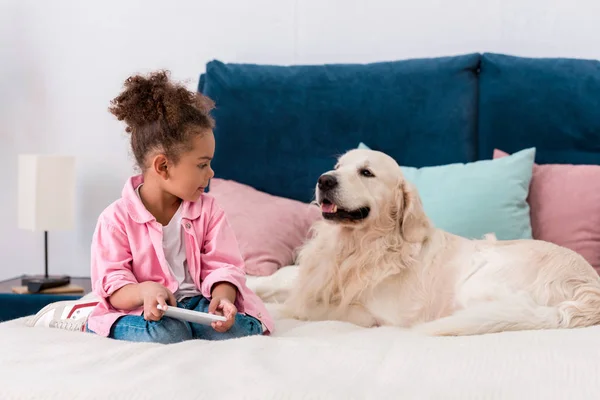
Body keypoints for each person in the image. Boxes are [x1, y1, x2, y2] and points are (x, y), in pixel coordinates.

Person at [74, 70, 272, 344]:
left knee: (239, 328)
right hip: (145, 311)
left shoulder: (209, 210)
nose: (211, 173)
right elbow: (113, 286)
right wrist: (144, 291)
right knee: (168, 333)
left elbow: (224, 266)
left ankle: (200, 326)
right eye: (203, 164)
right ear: (163, 166)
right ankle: (87, 321)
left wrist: (222, 298)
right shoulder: (115, 220)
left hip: (198, 305)